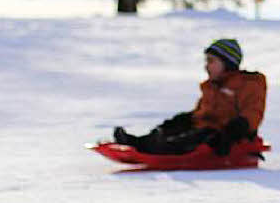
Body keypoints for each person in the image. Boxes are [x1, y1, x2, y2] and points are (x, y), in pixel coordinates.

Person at [112, 39, 266, 156]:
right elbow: (202, 112)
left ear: (227, 63)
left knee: (195, 137)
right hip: (204, 127)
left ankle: (159, 148)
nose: (206, 66)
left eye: (211, 61)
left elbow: (253, 114)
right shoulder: (212, 86)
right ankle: (139, 142)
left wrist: (233, 132)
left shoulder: (248, 84)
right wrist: (185, 119)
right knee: (177, 125)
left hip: (225, 137)